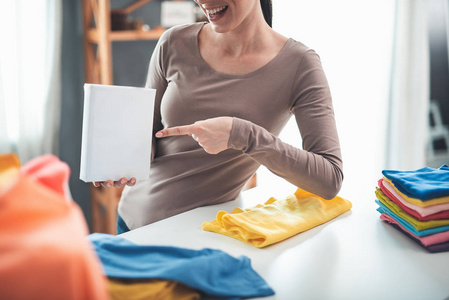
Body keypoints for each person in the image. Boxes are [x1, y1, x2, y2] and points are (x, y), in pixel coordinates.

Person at [94, 0, 343, 234]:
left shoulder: (300, 65)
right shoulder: (173, 42)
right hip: (130, 223)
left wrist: (243, 136)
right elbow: (148, 132)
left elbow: (329, 179)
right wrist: (122, 161)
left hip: (205, 235)